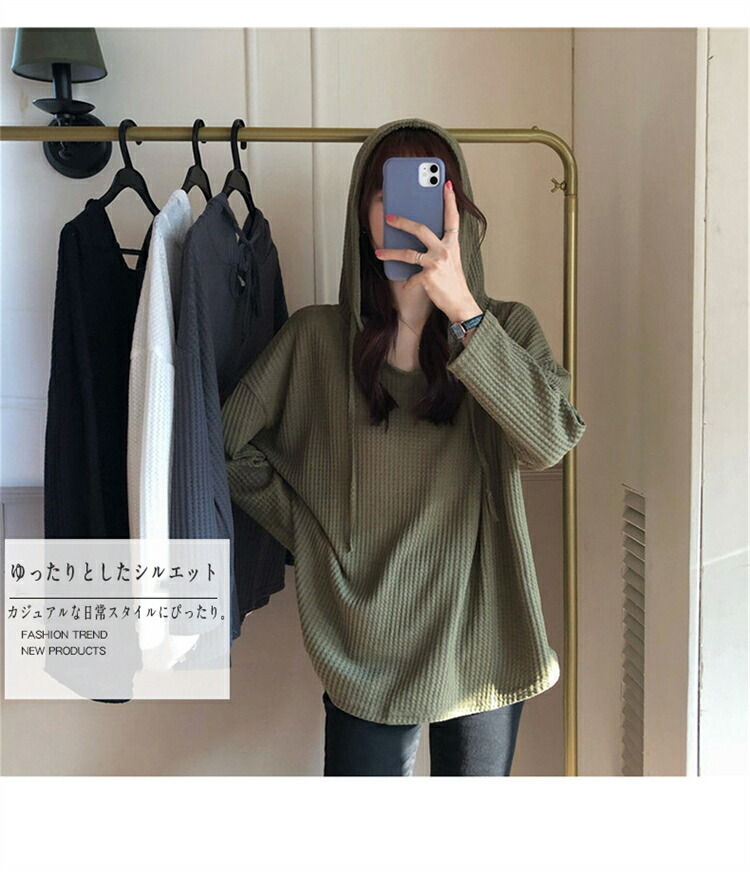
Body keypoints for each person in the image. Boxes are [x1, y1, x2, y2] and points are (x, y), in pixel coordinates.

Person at [221, 117, 587, 776]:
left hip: (481, 636)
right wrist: (309, 532)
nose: (407, 210)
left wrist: (464, 312)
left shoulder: (505, 326)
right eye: (388, 190)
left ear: (457, 208)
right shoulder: (315, 339)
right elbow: (226, 445)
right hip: (364, 642)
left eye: (429, 187)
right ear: (362, 214)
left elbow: (550, 441)